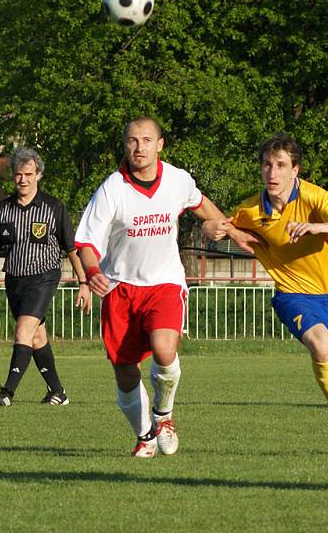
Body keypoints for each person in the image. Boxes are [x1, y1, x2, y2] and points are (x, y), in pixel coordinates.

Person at [74, 116, 256, 458]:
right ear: (125, 145)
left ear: (160, 144)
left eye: (146, 140)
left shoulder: (177, 180)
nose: (138, 147)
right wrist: (92, 270)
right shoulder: (112, 188)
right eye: (132, 141)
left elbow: (201, 206)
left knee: (164, 350)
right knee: (125, 370)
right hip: (121, 287)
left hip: (165, 283)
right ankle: (145, 435)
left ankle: (164, 415)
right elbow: (86, 242)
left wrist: (232, 232)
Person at [205, 134, 328, 454]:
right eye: (267, 165)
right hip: (292, 294)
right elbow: (218, 225)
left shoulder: (313, 198)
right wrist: (214, 230)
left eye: (280, 165)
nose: (272, 173)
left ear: (296, 170)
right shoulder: (252, 209)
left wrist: (318, 228)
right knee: (321, 345)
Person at [0, 148, 91, 407]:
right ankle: (57, 392)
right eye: (18, 175)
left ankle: (7, 393)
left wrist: (84, 283)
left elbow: (72, 248)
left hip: (44, 277)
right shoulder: (3, 210)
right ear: (13, 176)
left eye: (29, 174)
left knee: (23, 330)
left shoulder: (54, 208)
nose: (23, 179)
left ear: (39, 175)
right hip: (14, 279)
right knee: (36, 338)